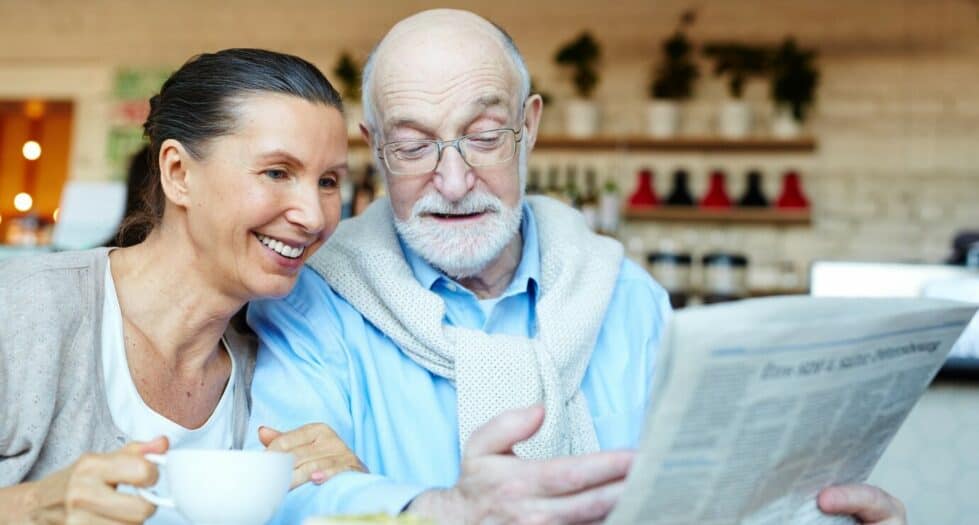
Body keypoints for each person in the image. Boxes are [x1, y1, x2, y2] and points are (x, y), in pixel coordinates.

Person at [247, 10, 908, 524]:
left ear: (528, 128)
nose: (451, 181)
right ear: (376, 147)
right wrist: (445, 510)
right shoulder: (315, 302)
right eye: (414, 145)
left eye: (482, 137)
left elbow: (698, 499)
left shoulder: (626, 297)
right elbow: (285, 499)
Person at [0, 48, 363, 524]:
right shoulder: (25, 307)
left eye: (329, 182)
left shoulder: (276, 368)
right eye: (277, 172)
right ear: (178, 173)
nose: (313, 217)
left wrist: (350, 487)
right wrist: (30, 506)